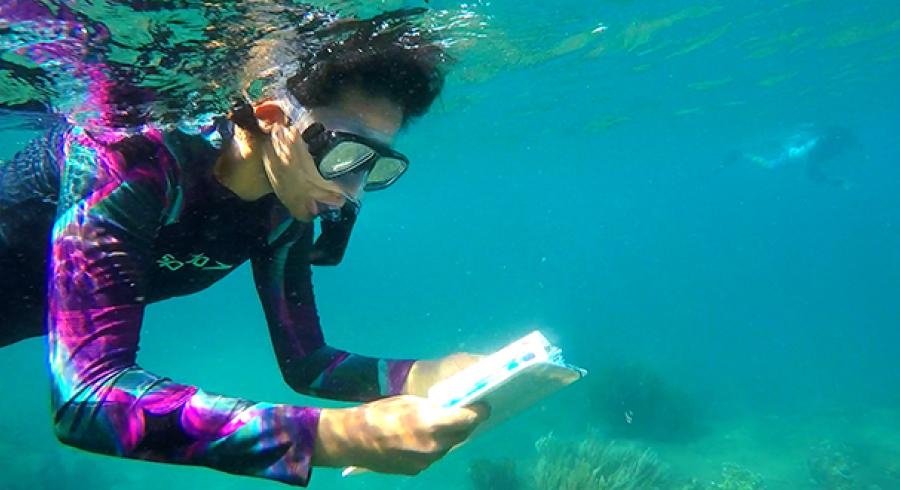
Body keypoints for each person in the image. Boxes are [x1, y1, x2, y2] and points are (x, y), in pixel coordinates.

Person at [0, 7, 486, 487]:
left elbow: (307, 362)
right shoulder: (127, 161)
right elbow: (86, 398)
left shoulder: (287, 206)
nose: (351, 191)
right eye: (345, 154)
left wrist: (419, 376)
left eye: (374, 165)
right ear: (272, 119)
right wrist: (331, 436)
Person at [721, 125, 860, 188]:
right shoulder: (822, 146)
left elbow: (812, 168)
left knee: (780, 151)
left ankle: (773, 145)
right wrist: (835, 182)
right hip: (791, 153)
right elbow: (811, 170)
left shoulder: (829, 144)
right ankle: (744, 154)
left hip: (797, 149)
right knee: (770, 166)